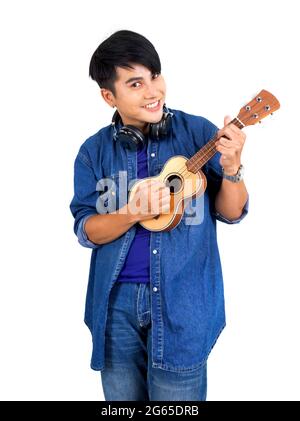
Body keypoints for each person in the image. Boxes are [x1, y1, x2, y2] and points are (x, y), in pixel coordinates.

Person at [69, 29, 249, 401]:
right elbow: (87, 229)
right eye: (135, 83)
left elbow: (231, 213)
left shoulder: (198, 133)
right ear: (109, 96)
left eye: (155, 76)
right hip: (116, 308)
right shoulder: (93, 152)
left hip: (183, 303)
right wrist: (132, 212)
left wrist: (232, 168)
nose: (153, 91)